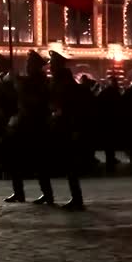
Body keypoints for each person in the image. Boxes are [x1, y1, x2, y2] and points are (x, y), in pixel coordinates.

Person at [4, 50, 52, 204]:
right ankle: (19, 192)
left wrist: (18, 83)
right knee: (15, 159)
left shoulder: (39, 81)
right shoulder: (30, 80)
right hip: (25, 123)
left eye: (29, 63)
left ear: (35, 66)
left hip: (35, 124)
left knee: (39, 162)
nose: (27, 65)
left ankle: (46, 193)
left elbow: (32, 99)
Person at [47, 50, 85, 210]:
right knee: (64, 163)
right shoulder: (58, 81)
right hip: (59, 124)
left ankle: (76, 198)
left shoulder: (65, 83)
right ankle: (71, 197)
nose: (50, 67)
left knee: (70, 164)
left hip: (66, 126)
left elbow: (71, 106)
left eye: (52, 64)